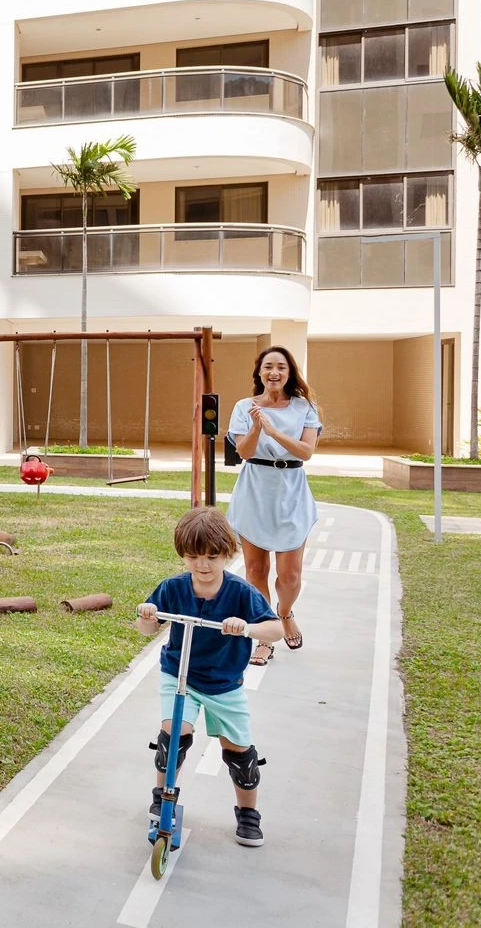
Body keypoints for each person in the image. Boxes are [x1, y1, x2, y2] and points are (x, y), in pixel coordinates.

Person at [137, 506, 283, 847]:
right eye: (193, 557)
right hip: (180, 675)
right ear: (183, 556)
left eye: (212, 557)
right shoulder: (173, 588)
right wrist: (147, 614)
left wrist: (247, 628)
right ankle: (163, 796)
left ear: (227, 554)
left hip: (224, 684)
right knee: (173, 736)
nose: (203, 565)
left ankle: (248, 814)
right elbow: (147, 628)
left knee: (239, 753)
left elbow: (275, 629)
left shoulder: (241, 592)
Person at [224, 346, 321, 666]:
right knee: (256, 570)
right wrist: (255, 427)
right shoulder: (244, 407)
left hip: (291, 491)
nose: (274, 372)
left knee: (290, 575)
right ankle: (266, 637)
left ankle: (284, 612)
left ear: (290, 372)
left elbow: (306, 452)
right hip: (255, 490)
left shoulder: (304, 407)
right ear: (259, 373)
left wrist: (273, 430)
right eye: (268, 367)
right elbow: (246, 452)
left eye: (281, 366)